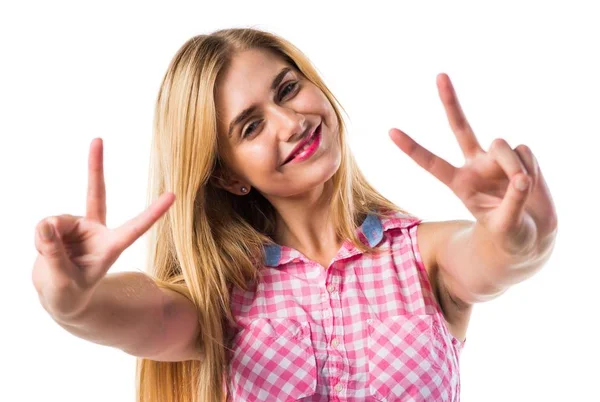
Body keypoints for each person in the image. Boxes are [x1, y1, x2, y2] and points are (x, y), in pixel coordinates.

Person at [31, 27, 558, 402]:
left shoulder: (426, 256)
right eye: (250, 127)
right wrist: (69, 295)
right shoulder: (218, 299)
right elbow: (113, 313)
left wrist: (523, 235)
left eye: (287, 90)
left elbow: (496, 257)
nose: (290, 122)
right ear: (227, 175)